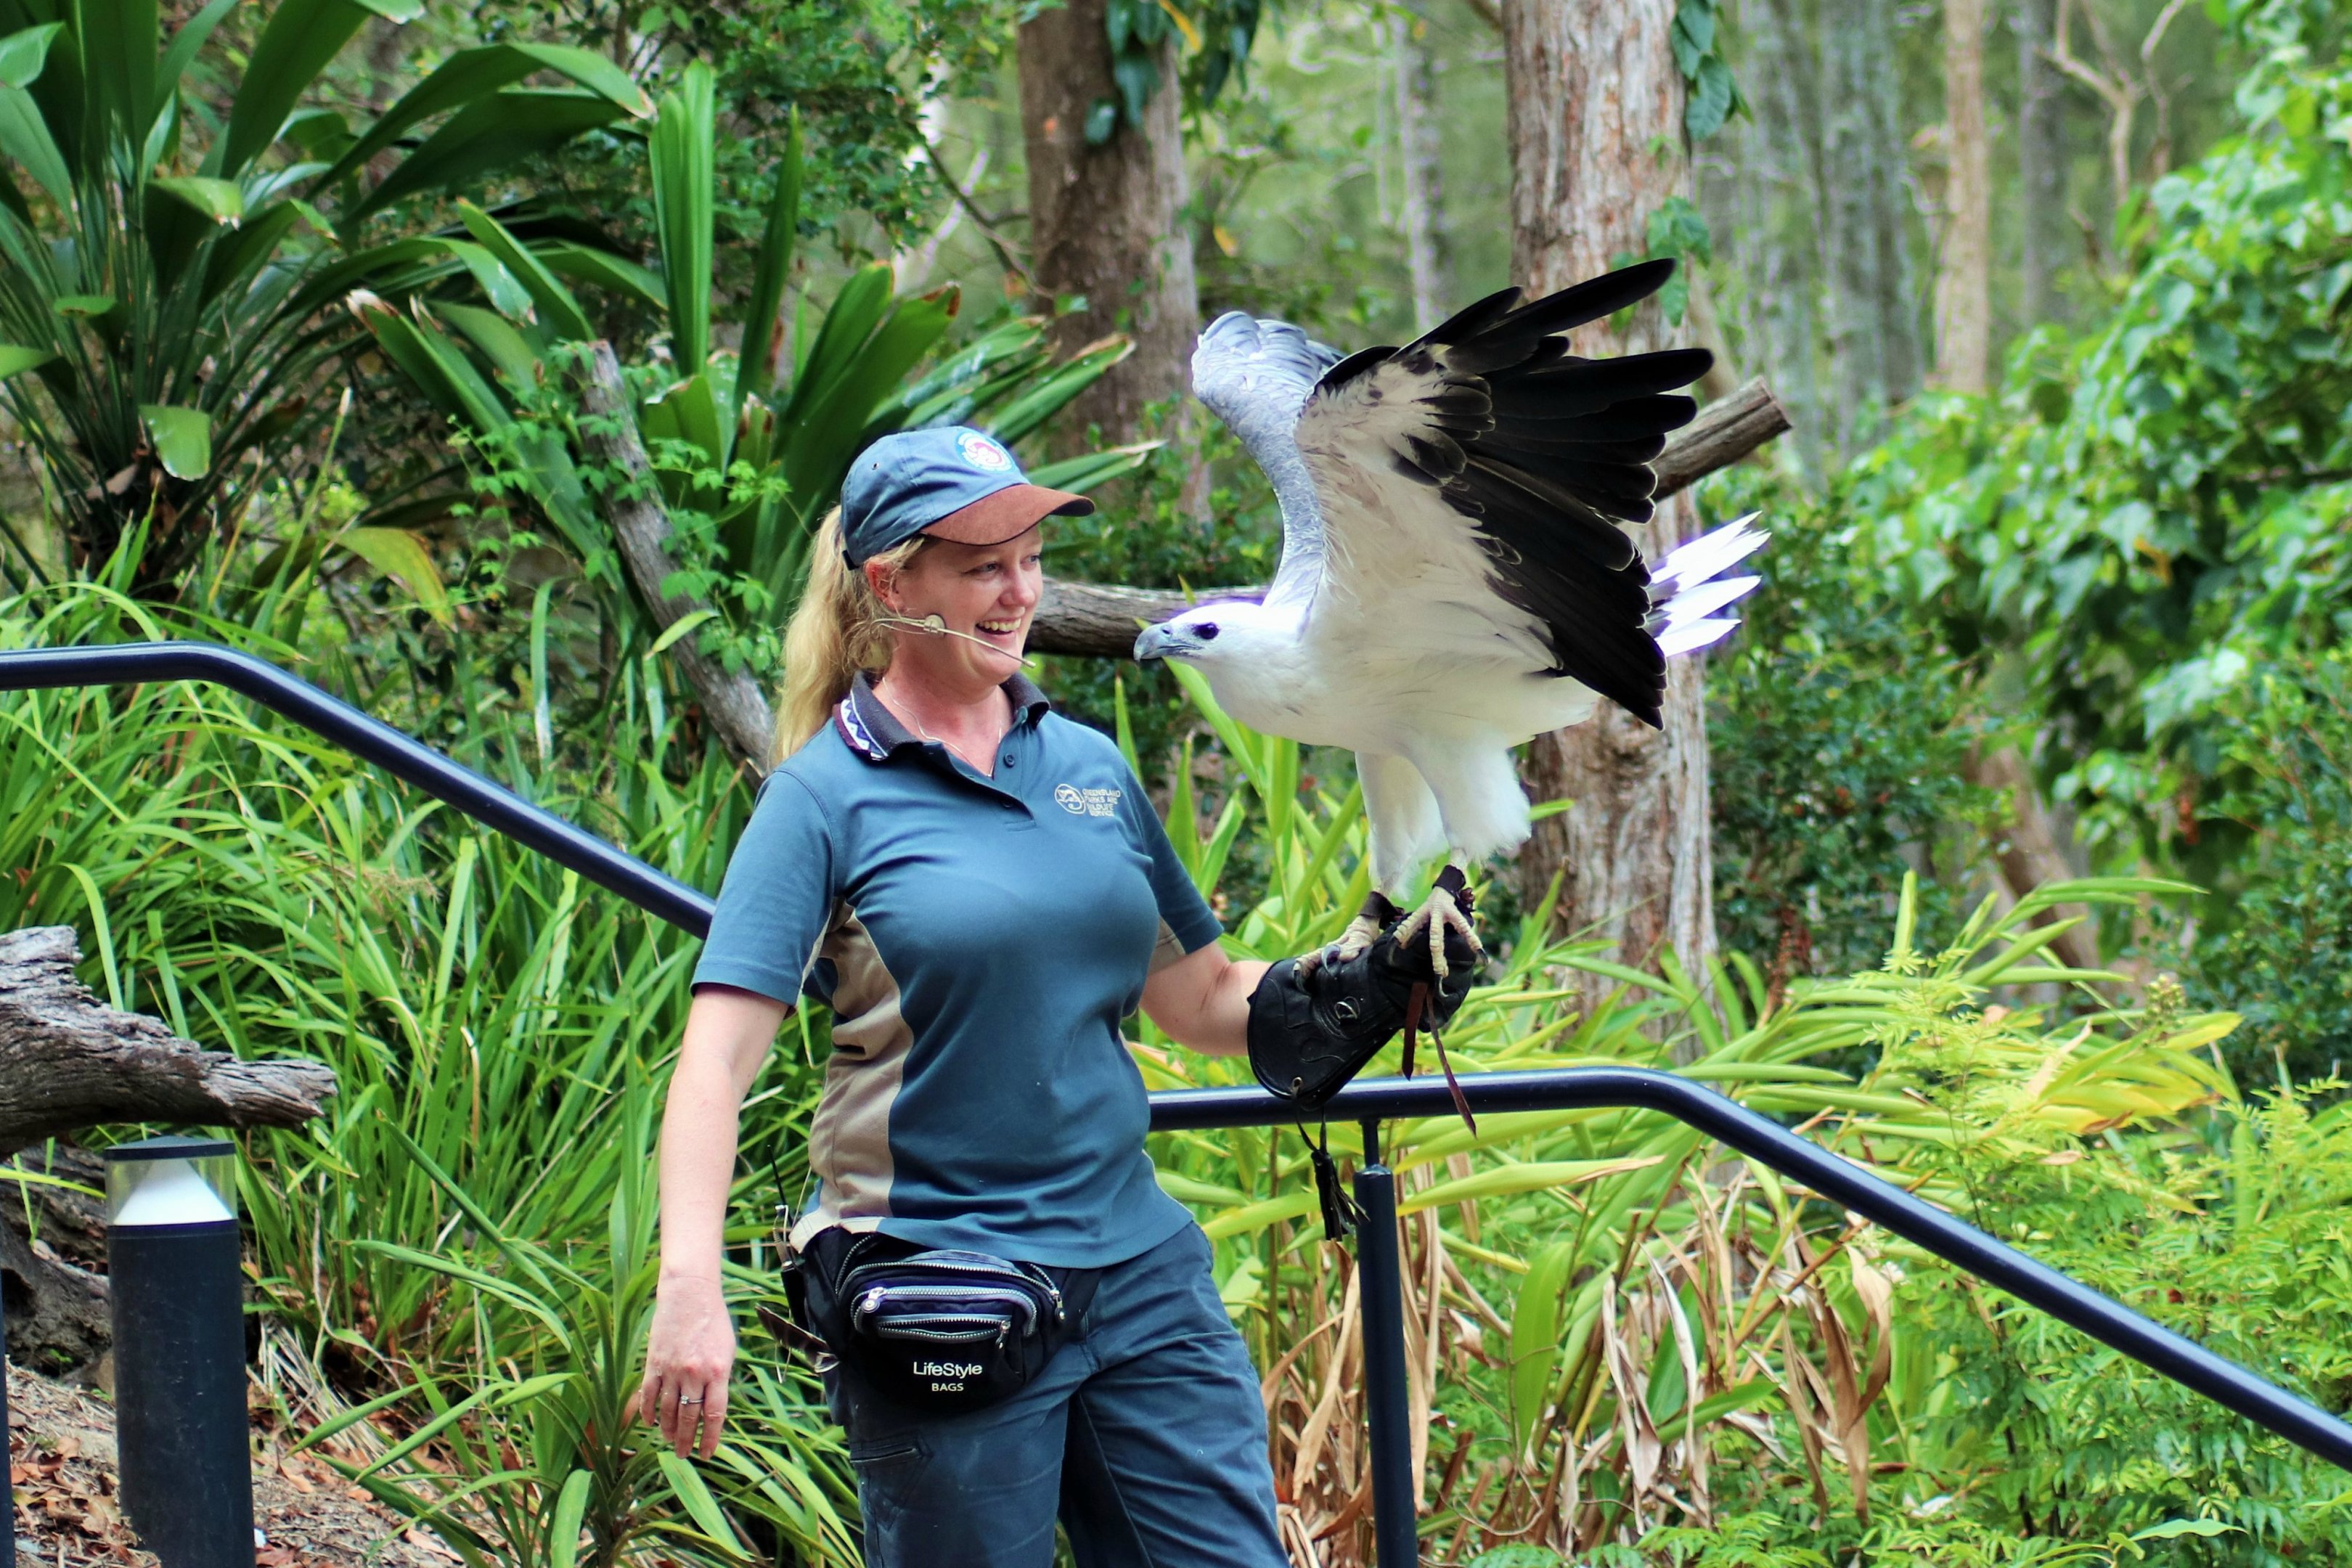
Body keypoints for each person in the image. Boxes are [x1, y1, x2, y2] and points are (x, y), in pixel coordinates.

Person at [637, 425, 1464, 1567]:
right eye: (982, 563)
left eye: (1030, 557)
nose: (1020, 589)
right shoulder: (824, 799)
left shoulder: (1087, 766)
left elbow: (1205, 998)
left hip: (1142, 1283)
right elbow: (713, 1065)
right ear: (893, 582)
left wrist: (1369, 983)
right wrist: (690, 1286)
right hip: (940, 1290)